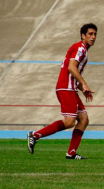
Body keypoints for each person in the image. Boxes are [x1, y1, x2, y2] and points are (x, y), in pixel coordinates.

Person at [27, 23, 97, 160]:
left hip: (70, 87)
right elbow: (71, 67)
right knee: (70, 121)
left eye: (95, 34)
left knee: (83, 119)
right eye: (90, 34)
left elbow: (70, 70)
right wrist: (83, 83)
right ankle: (35, 136)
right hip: (66, 88)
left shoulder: (83, 49)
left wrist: (82, 88)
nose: (93, 37)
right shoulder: (80, 48)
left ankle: (71, 153)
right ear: (83, 35)